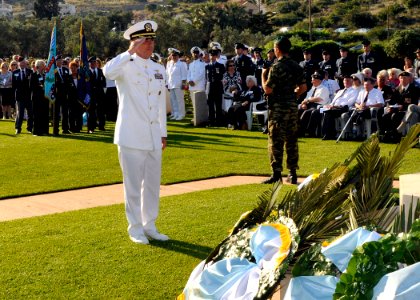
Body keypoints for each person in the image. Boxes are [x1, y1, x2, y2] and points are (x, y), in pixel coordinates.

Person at [103, 20, 169, 245]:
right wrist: (129, 52)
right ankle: (135, 228)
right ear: (134, 41)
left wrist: (163, 133)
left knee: (152, 183)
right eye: (144, 40)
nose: (149, 44)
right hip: (131, 135)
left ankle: (150, 224)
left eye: (151, 39)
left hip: (153, 135)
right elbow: (107, 72)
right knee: (132, 185)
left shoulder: (158, 68)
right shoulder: (125, 65)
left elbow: (160, 104)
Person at [262, 37, 306, 184]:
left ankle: (276, 174)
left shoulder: (277, 67)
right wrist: (293, 96)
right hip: (292, 108)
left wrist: (263, 76)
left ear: (278, 49)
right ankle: (293, 173)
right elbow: (303, 87)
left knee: (276, 140)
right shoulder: (296, 66)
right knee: (292, 140)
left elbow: (268, 89)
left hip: (278, 108)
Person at [321, 74, 358, 140]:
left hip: (343, 108)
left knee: (327, 112)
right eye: (345, 80)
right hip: (334, 108)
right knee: (320, 110)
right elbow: (334, 101)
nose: (346, 82)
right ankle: (324, 133)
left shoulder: (354, 91)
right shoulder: (340, 91)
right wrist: (330, 105)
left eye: (348, 80)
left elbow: (350, 103)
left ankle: (328, 134)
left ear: (352, 81)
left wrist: (336, 106)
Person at [298, 71, 329, 137]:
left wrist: (308, 100)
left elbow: (318, 99)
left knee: (307, 112)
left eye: (313, 80)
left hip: (320, 107)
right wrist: (304, 104)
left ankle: (309, 132)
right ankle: (299, 130)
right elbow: (306, 99)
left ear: (318, 80)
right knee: (299, 110)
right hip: (310, 105)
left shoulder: (324, 89)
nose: (312, 82)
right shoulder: (312, 89)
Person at [12, 56, 33, 134]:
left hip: (28, 96)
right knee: (20, 114)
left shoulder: (30, 72)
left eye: (24, 63)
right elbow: (13, 86)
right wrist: (13, 97)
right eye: (21, 63)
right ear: (18, 64)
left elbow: (32, 85)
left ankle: (30, 128)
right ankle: (18, 128)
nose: (22, 64)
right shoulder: (15, 72)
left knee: (30, 113)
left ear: (26, 64)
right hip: (19, 97)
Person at [205, 47, 226, 126]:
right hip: (210, 87)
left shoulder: (220, 65)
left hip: (218, 86)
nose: (212, 57)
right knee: (210, 105)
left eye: (213, 55)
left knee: (218, 105)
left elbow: (222, 76)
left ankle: (219, 121)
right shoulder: (207, 67)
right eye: (211, 55)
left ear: (216, 56)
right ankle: (211, 121)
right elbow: (206, 78)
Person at [166, 48, 188, 121]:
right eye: (172, 55)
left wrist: (183, 83)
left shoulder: (181, 64)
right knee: (173, 100)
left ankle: (181, 114)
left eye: (175, 55)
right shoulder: (169, 64)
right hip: (171, 84)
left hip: (178, 84)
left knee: (179, 100)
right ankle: (175, 113)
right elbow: (167, 75)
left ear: (178, 56)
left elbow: (184, 75)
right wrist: (167, 84)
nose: (174, 57)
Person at [30, 60, 50, 136]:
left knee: (45, 114)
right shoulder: (33, 75)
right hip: (36, 98)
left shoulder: (46, 75)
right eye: (43, 65)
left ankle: (45, 131)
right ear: (38, 66)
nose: (44, 66)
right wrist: (40, 87)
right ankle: (37, 131)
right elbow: (31, 87)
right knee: (37, 115)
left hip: (45, 98)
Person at [53, 55, 71, 135]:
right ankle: (55, 129)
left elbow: (69, 81)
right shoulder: (53, 71)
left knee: (65, 112)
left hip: (64, 94)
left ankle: (65, 129)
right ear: (55, 62)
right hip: (56, 94)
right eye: (58, 60)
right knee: (56, 113)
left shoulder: (65, 70)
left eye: (60, 60)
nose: (59, 62)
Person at [88, 55, 106, 132]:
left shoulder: (100, 71)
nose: (94, 63)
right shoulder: (87, 72)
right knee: (91, 111)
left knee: (101, 110)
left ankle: (101, 126)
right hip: (91, 94)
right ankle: (91, 127)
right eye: (92, 62)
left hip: (100, 94)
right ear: (89, 63)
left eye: (95, 62)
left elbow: (103, 82)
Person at [67, 61, 84, 133]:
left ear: (77, 68)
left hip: (79, 99)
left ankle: (79, 127)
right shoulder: (68, 77)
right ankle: (72, 127)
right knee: (71, 114)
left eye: (74, 68)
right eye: (71, 68)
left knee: (79, 113)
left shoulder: (80, 77)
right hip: (71, 99)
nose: (73, 69)